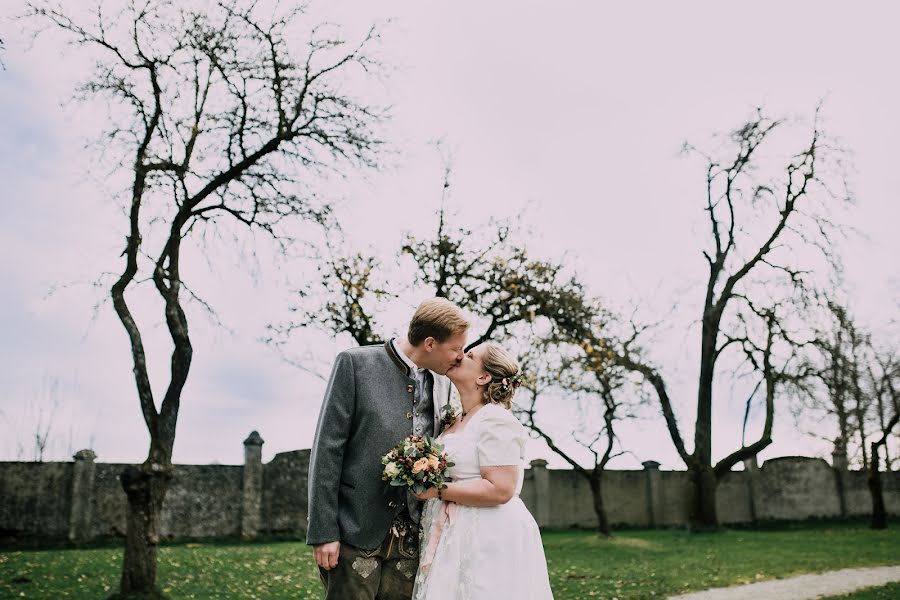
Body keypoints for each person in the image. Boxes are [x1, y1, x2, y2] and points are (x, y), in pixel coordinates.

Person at [307, 297, 469, 600]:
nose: (461, 357)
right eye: (456, 349)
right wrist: (323, 532)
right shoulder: (354, 364)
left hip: (413, 536)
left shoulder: (444, 384)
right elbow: (327, 450)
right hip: (355, 529)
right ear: (430, 343)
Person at [411, 343, 554, 600]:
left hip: (488, 533)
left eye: (469, 355)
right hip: (454, 530)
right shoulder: (456, 419)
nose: (458, 356)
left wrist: (436, 490)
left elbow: (501, 489)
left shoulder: (495, 419)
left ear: (483, 377)